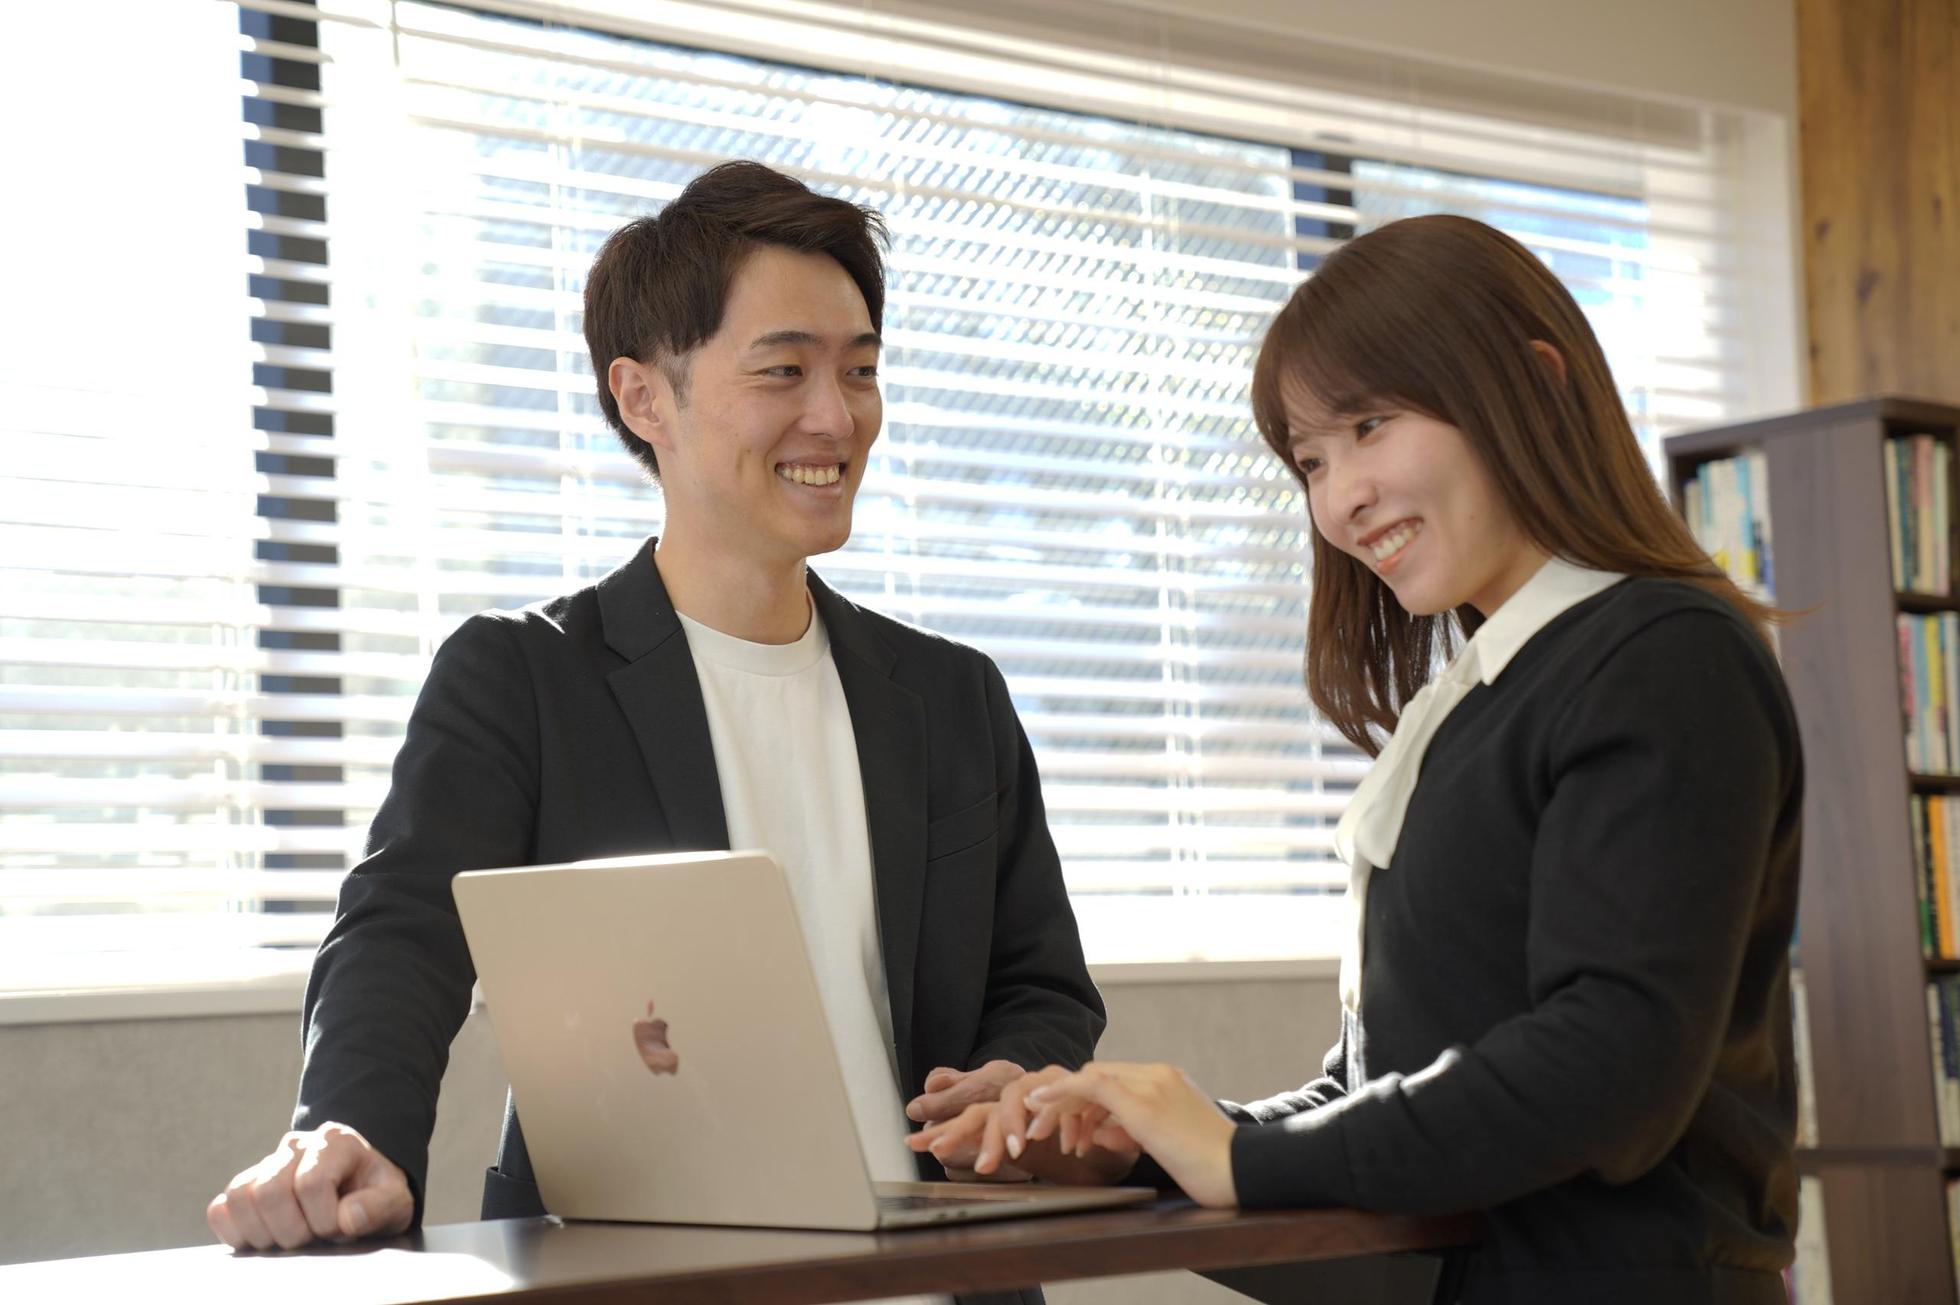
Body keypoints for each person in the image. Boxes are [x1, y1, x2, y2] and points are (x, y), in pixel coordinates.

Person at [206, 163, 1105, 1299]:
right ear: (643, 400)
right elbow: (399, 933)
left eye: (860, 370)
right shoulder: (523, 677)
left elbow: (1042, 981)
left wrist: (1013, 1073)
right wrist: (350, 1129)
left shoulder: (954, 694)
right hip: (639, 1275)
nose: (836, 417)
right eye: (783, 370)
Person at [909, 214, 1803, 1305]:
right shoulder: (1473, 700)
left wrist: (1236, 1161)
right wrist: (1142, 1147)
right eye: (1312, 461)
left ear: (1535, 384)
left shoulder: (1660, 656)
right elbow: (1377, 1090)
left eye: (1370, 425)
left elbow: (1612, 1066)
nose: (1339, 499)